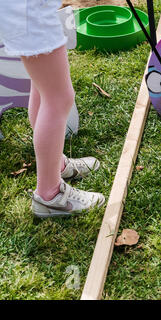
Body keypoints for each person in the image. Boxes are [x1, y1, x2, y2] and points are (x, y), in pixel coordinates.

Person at [0, 0, 105, 218]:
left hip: (27, 10)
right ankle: (50, 195)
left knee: (41, 88)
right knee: (59, 98)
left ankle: (56, 165)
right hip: (28, 11)